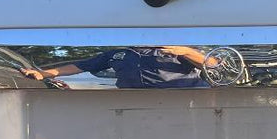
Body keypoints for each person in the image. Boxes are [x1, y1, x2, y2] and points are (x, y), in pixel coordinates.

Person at [22, 45, 218, 88]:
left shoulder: (176, 46)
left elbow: (212, 65)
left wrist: (184, 52)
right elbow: (81, 65)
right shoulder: (118, 53)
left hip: (186, 104)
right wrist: (44, 73)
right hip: (131, 107)